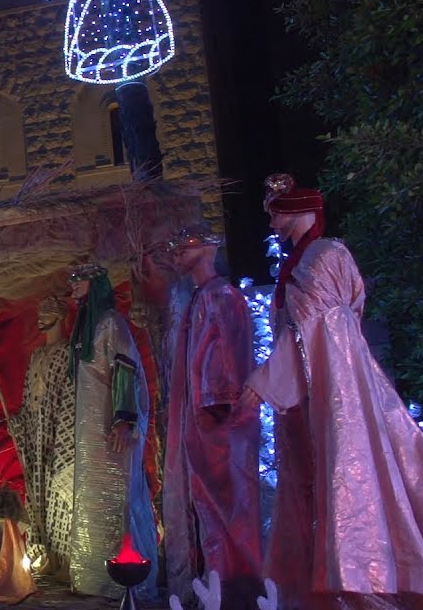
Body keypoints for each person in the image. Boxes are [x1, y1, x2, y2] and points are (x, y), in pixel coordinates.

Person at [241, 174, 423, 610]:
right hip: (306, 394)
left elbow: (312, 324)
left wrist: (265, 382)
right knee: (312, 478)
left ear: (297, 212)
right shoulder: (302, 262)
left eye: (277, 212)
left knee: (348, 465)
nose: (272, 222)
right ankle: (324, 585)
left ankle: (365, 580)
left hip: (337, 387)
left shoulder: (325, 254)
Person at [164, 227, 262, 609]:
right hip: (202, 422)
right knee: (209, 506)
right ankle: (217, 587)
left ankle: (238, 592)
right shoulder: (201, 298)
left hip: (220, 423)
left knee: (228, 504)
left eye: (183, 247)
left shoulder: (221, 297)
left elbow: (224, 359)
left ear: (206, 250)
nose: (176, 255)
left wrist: (217, 404)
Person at [65, 263, 158, 601]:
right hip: (91, 433)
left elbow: (125, 367)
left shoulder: (110, 323)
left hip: (113, 426)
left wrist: (123, 418)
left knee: (122, 496)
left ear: (96, 283)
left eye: (79, 279)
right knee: (93, 498)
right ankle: (96, 578)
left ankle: (131, 580)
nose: (73, 285)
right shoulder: (87, 325)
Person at [7, 295, 75, 578]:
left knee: (57, 494)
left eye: (46, 313)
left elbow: (69, 395)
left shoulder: (67, 353)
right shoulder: (37, 355)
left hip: (57, 430)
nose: (40, 318)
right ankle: (43, 552)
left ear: (59, 317)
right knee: (36, 493)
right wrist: (19, 422)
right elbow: (27, 396)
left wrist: (63, 431)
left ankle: (64, 557)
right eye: (39, 312)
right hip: (35, 432)